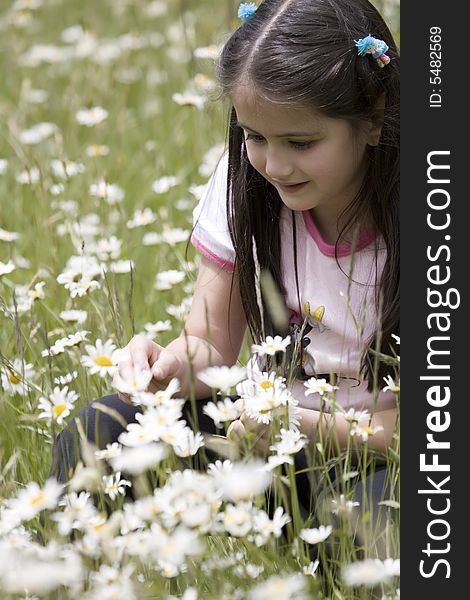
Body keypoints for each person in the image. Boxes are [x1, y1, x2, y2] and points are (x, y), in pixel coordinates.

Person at [50, 0, 399, 553]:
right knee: (100, 431)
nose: (274, 165)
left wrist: (304, 425)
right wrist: (168, 366)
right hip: (257, 441)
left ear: (375, 119)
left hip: (375, 460)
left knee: (390, 526)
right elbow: (210, 345)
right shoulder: (246, 185)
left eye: (301, 144)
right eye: (254, 136)